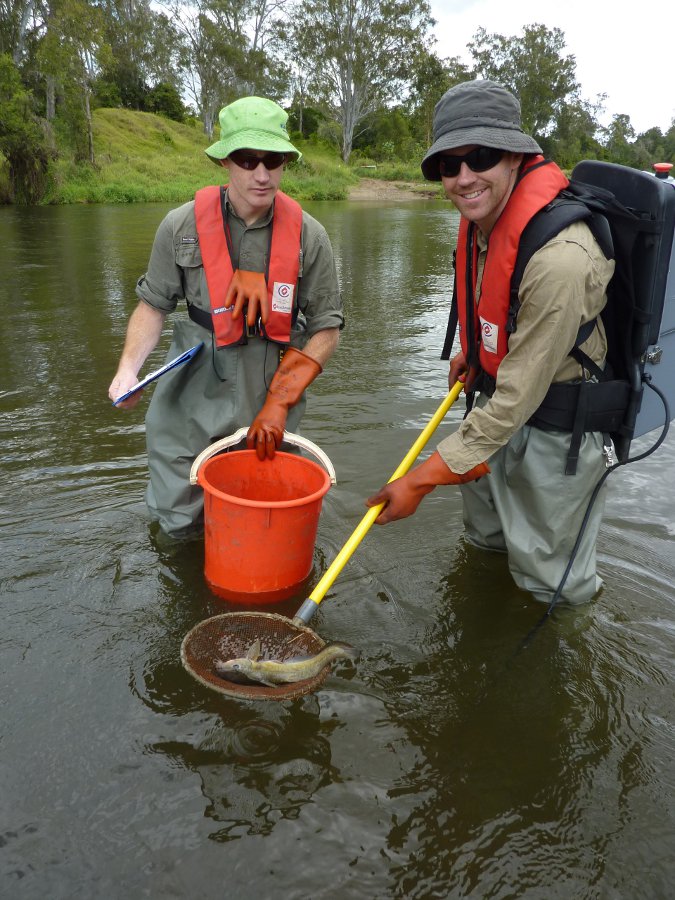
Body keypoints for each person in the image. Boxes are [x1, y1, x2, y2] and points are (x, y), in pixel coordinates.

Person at [366, 79, 615, 605]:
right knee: (484, 546)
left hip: (553, 429)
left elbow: (519, 398)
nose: (463, 177)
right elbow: (498, 315)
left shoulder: (562, 260)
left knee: (554, 590)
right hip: (493, 403)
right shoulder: (484, 222)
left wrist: (420, 480)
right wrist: (474, 355)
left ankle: (549, 671)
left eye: (480, 156)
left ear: (515, 158)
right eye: (448, 166)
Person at [109, 96, 343, 539]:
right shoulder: (179, 226)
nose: (261, 173)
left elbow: (327, 330)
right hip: (191, 390)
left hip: (270, 389)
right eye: (247, 158)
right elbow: (152, 305)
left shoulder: (311, 237)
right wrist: (127, 370)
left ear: (285, 163)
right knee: (178, 521)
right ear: (225, 161)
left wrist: (278, 403)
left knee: (261, 520)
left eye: (273, 160)